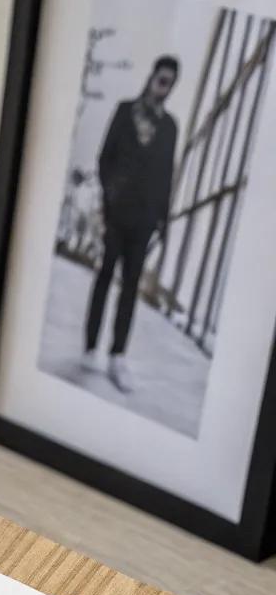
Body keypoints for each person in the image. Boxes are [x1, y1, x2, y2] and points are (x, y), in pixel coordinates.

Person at [82, 55, 179, 394]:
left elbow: (168, 176)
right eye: (160, 78)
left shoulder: (169, 128)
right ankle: (90, 346)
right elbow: (104, 158)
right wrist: (109, 199)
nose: (162, 85)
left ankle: (117, 356)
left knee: (130, 286)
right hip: (116, 213)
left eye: (169, 82)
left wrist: (163, 221)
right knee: (105, 275)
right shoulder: (125, 112)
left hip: (144, 222)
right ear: (151, 76)